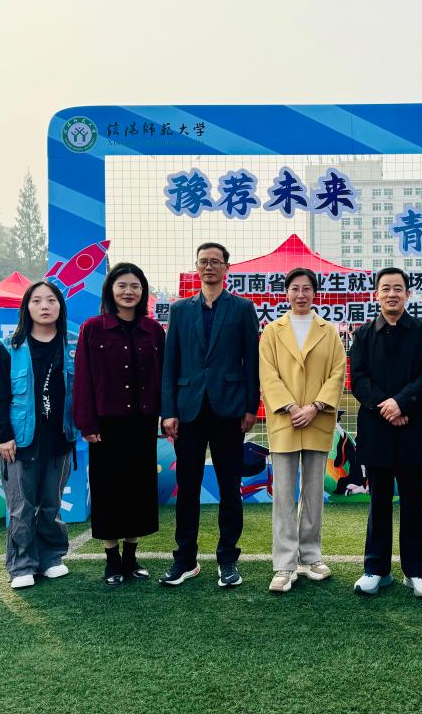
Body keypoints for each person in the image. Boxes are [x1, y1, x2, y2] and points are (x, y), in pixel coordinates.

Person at [160, 243, 260, 588]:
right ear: (197, 266)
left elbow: (252, 360)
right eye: (203, 261)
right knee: (187, 487)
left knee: (230, 487)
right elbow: (170, 363)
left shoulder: (243, 308)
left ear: (226, 267)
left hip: (229, 410)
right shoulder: (180, 310)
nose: (209, 267)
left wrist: (251, 406)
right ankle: (185, 559)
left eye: (215, 262)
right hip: (188, 410)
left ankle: (228, 559)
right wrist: (169, 411)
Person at [349, 267, 422, 598]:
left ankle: (416, 571)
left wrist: (401, 403)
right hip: (377, 429)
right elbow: (358, 379)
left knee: (413, 501)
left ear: (407, 294)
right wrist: (386, 407)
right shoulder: (363, 334)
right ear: (376, 294)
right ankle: (376, 569)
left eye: (398, 288)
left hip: (413, 427)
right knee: (379, 501)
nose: (392, 294)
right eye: (385, 288)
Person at [0, 281, 77, 589]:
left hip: (60, 438)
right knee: (21, 506)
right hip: (20, 440)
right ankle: (21, 564)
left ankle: (51, 558)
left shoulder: (73, 345)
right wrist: (3, 435)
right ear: (26, 308)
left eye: (51, 300)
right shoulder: (10, 347)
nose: (44, 306)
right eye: (36, 301)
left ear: (60, 306)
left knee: (51, 503)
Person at [73, 263, 165, 586]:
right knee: (108, 491)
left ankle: (131, 558)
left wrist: (166, 415)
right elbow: (82, 378)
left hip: (142, 424)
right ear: (110, 290)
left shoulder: (153, 330)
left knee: (139, 490)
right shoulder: (93, 329)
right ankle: (112, 560)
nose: (129, 292)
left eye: (135, 286)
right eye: (122, 285)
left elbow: (164, 376)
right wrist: (87, 423)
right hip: (105, 426)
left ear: (143, 292)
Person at [258, 268, 346, 593]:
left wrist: (315, 407)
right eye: (295, 288)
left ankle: (311, 556)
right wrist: (292, 408)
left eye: (306, 288)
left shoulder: (329, 331)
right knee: (283, 494)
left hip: (317, 420)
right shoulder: (272, 331)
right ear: (286, 292)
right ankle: (284, 564)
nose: (300, 294)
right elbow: (267, 374)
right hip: (285, 420)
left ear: (314, 293)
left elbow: (338, 372)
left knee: (312, 493)